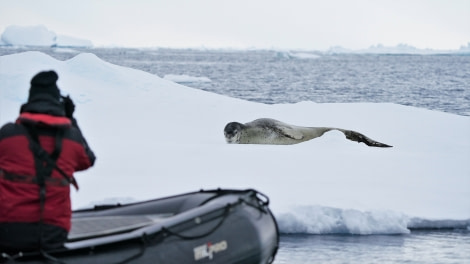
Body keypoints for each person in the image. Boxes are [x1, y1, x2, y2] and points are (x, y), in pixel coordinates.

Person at [0, 71, 96, 254]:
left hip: (6, 231)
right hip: (52, 233)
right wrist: (71, 120)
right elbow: (88, 160)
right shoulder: (72, 138)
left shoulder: (7, 135)